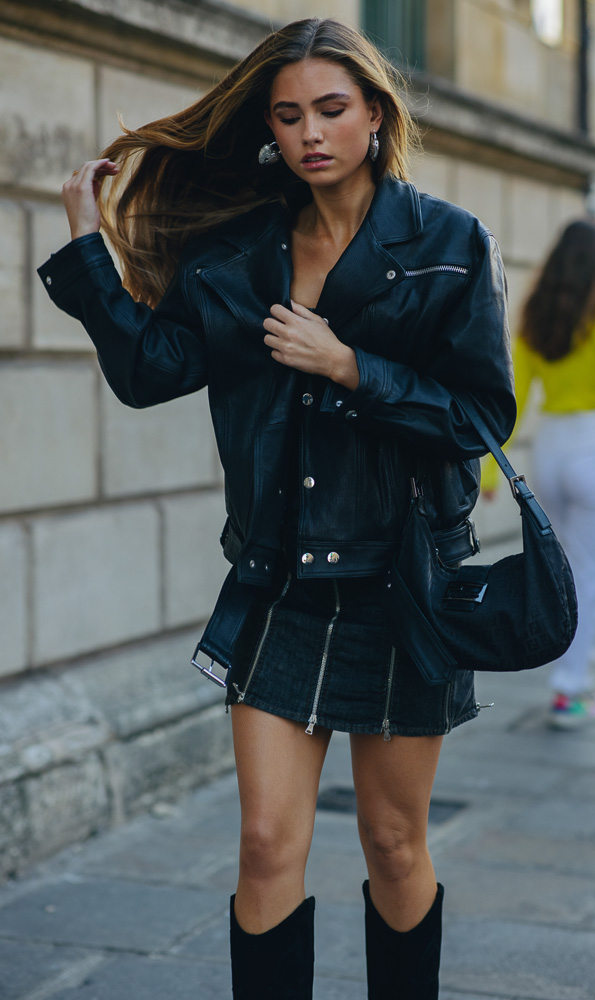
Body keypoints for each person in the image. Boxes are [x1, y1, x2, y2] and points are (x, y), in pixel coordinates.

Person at [38, 18, 515, 998]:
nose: (311, 132)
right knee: (264, 844)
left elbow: (479, 417)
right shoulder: (239, 253)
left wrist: (351, 366)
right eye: (289, 114)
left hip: (401, 589)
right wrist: (89, 248)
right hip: (279, 583)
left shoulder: (447, 246)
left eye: (332, 109)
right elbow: (149, 369)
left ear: (376, 117)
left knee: (390, 842)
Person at [482, 218, 595, 730]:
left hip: (553, 450)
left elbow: (512, 400)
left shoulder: (537, 314)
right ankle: (571, 689)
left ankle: (575, 655)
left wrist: (490, 473)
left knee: (564, 569)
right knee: (590, 571)